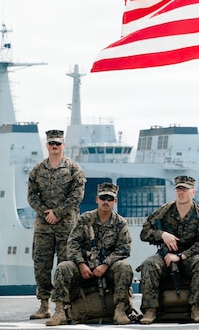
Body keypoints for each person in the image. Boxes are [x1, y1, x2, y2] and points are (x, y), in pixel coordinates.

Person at [46, 183, 132, 327]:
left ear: (115, 201)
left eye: (110, 198)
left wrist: (105, 265)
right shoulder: (85, 219)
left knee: (124, 267)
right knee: (63, 268)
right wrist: (81, 264)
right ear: (97, 199)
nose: (106, 201)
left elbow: (124, 248)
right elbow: (72, 244)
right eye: (103, 198)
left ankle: (120, 310)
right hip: (84, 268)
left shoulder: (120, 223)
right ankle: (59, 312)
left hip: (107, 268)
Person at [137, 175, 199, 324]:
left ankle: (197, 308)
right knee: (149, 264)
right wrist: (162, 235)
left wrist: (181, 256)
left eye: (185, 189)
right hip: (165, 256)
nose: (181, 192)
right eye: (178, 189)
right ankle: (150, 310)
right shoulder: (165, 211)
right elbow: (145, 232)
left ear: (193, 192)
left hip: (189, 258)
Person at [27, 129, 86, 320]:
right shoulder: (37, 170)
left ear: (63, 145)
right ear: (47, 145)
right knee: (41, 265)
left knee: (66, 265)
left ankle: (65, 305)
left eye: (58, 143)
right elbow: (31, 196)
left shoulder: (73, 168)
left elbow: (77, 194)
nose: (54, 146)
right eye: (51, 143)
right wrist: (46, 213)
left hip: (66, 226)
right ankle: (44, 305)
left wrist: (58, 213)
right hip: (43, 226)